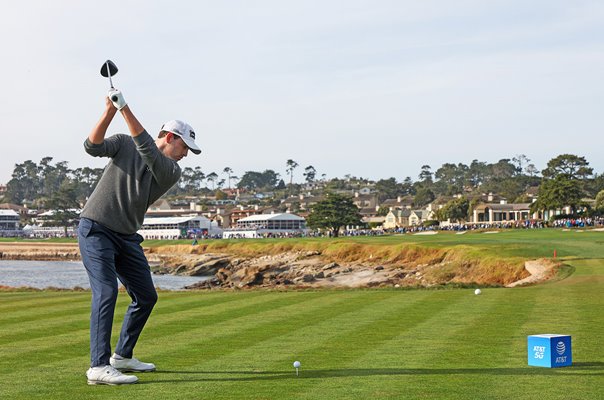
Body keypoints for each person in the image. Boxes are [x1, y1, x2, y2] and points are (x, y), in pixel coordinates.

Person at [78, 87, 201, 385]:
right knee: (106, 291)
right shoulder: (123, 143)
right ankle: (98, 366)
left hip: (127, 236)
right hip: (96, 229)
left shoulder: (171, 170)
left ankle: (122, 356)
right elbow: (92, 147)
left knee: (146, 296)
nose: (187, 154)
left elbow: (147, 148)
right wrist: (109, 111)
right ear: (170, 138)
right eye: (185, 147)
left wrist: (125, 108)